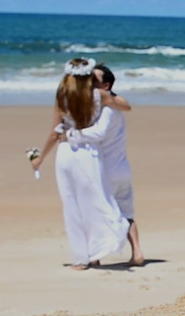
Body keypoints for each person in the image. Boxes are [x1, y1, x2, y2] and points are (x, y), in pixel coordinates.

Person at [30, 58, 129, 270]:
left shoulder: (62, 97)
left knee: (71, 205)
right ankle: (96, 252)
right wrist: (109, 97)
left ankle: (80, 258)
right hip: (89, 153)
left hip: (66, 153)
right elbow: (126, 106)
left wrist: (40, 158)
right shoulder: (98, 96)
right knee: (93, 202)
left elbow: (54, 133)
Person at [67, 63, 144, 266]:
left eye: (95, 81)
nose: (90, 84)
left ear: (107, 85)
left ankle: (96, 256)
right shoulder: (113, 105)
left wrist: (71, 135)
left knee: (96, 211)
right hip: (121, 167)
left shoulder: (108, 108)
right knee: (127, 212)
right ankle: (137, 253)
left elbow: (99, 134)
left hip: (105, 170)